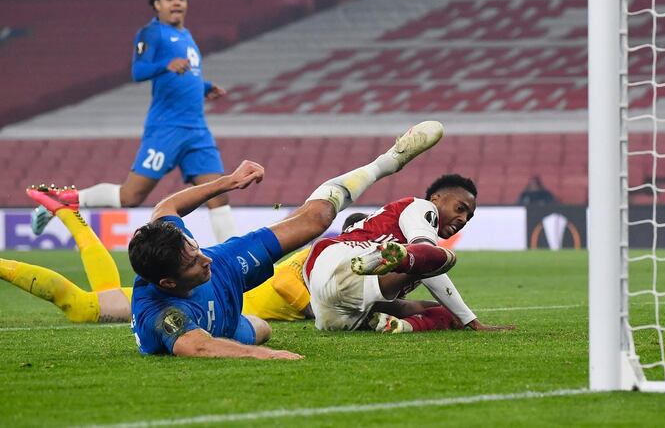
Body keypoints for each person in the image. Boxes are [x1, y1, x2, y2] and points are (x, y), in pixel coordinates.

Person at [126, 120, 443, 359]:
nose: (202, 258)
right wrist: (268, 355)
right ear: (167, 283)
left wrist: (228, 182)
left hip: (228, 269)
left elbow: (166, 207)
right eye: (193, 262)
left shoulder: (188, 251)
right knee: (262, 330)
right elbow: (195, 346)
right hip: (223, 326)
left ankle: (386, 161)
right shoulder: (163, 313)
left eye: (196, 250)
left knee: (315, 220)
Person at [30, 0, 236, 244]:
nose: (177, 3)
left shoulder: (185, 35)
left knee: (218, 196)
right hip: (167, 128)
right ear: (156, 4)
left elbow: (187, 74)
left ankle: (237, 267)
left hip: (197, 130)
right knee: (130, 197)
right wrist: (166, 65)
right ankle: (59, 200)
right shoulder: (152, 33)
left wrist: (205, 85)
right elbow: (138, 70)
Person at [0, 191, 367, 324]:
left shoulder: (322, 255)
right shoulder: (322, 262)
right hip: (205, 297)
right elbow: (288, 282)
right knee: (83, 307)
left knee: (105, 292)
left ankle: (67, 210)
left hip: (203, 293)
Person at [304, 174, 516, 333]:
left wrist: (469, 320)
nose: (462, 219)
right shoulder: (421, 207)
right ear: (436, 199)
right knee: (442, 257)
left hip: (332, 310)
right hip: (343, 263)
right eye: (460, 208)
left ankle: (399, 325)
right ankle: (391, 258)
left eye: (468, 217)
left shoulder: (390, 221)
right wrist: (475, 322)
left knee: (445, 313)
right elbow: (429, 258)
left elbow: (430, 270)